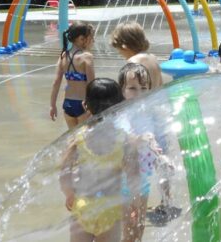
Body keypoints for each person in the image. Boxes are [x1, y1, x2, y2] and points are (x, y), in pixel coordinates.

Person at [60, 78, 140, 242]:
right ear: (120, 106)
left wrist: (69, 194)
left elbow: (64, 170)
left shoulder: (77, 138)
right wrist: (133, 204)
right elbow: (134, 176)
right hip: (111, 207)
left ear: (85, 104)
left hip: (83, 205)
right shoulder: (125, 140)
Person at [118, 63, 158, 242]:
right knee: (128, 229)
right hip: (125, 182)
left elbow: (152, 141)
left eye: (143, 88)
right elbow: (129, 138)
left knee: (140, 226)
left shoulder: (147, 114)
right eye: (132, 88)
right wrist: (143, 138)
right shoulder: (122, 115)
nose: (139, 93)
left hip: (143, 180)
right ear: (122, 90)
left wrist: (161, 156)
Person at [50, 22, 95, 129]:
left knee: (73, 140)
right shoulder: (86, 57)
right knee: (87, 141)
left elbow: (56, 82)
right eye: (91, 37)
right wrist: (94, 107)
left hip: (68, 104)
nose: (93, 40)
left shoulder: (63, 56)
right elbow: (92, 84)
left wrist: (52, 105)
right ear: (81, 39)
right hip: (83, 104)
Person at [111, 21, 163, 89]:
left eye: (118, 48)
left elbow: (129, 93)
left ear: (124, 46)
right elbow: (161, 85)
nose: (119, 52)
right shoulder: (153, 58)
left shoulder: (133, 64)